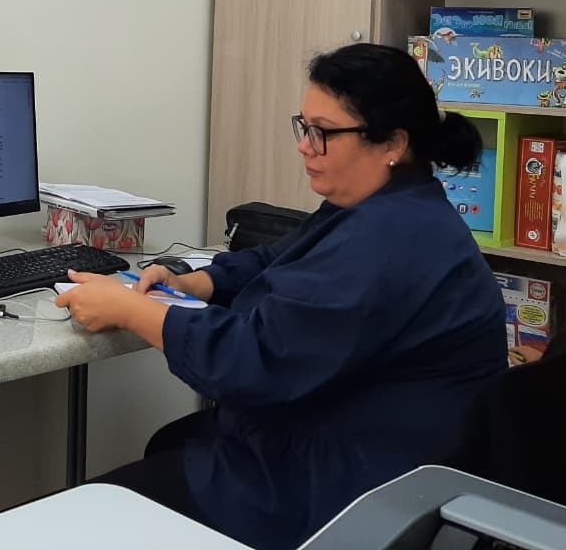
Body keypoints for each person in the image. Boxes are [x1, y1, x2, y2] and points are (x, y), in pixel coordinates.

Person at [55, 43, 507, 550]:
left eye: (323, 133)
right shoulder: (382, 204)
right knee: (171, 442)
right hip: (347, 433)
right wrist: (200, 281)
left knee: (94, 510)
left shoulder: (391, 237)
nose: (305, 147)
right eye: (304, 127)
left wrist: (132, 309)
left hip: (354, 487)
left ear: (392, 143)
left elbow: (252, 362)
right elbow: (281, 258)